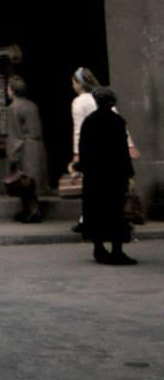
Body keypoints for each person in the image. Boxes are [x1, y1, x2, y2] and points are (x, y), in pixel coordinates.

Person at [76, 87, 137, 265]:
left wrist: (83, 168)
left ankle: (99, 248)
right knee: (116, 212)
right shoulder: (117, 121)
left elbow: (84, 148)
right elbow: (122, 151)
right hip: (115, 176)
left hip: (95, 176)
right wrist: (129, 174)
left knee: (95, 211)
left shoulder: (90, 121)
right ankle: (117, 250)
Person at [4, 76, 46, 223]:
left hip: (24, 149)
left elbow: (15, 134)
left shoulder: (13, 108)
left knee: (24, 183)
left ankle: (33, 211)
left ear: (12, 90)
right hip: (36, 146)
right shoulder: (32, 105)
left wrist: (13, 156)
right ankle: (29, 210)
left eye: (8, 87)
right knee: (30, 183)